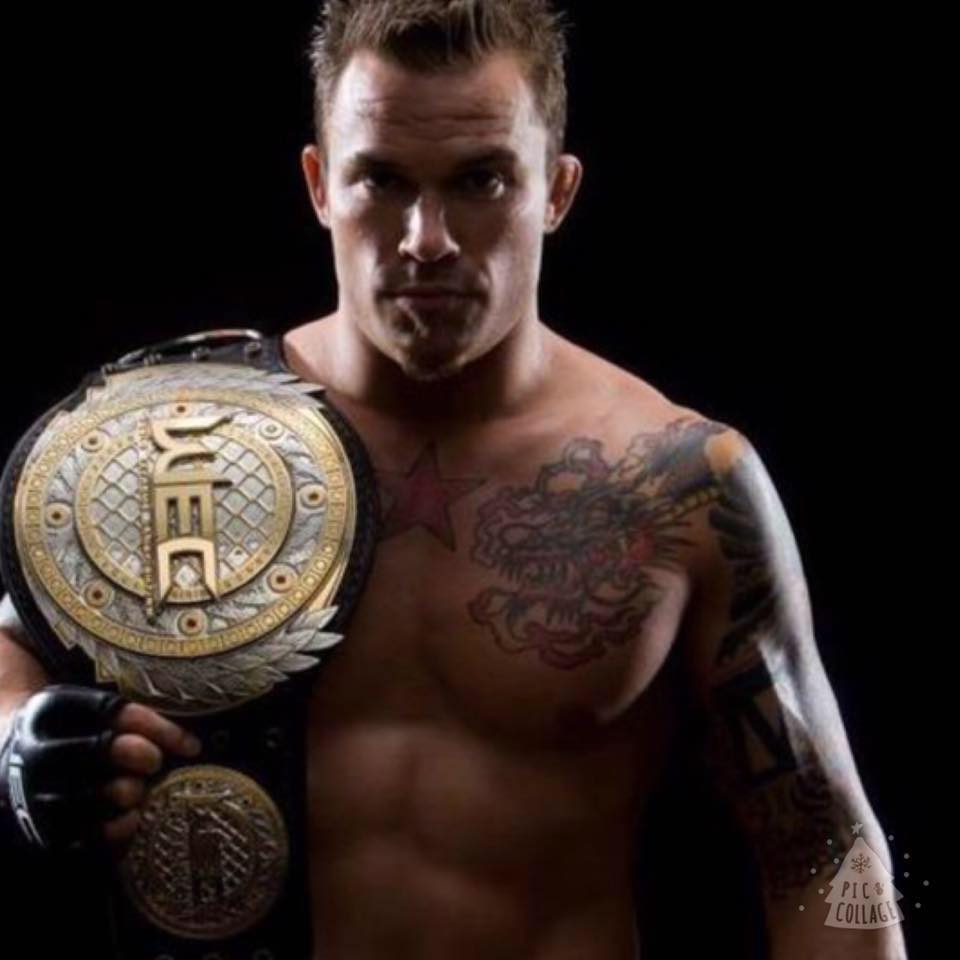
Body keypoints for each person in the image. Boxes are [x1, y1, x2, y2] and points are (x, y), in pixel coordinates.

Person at [0, 1, 908, 957]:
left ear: (556, 192)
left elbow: (823, 848)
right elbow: (15, 633)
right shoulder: (174, 443)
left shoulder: (679, 482)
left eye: (481, 180)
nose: (426, 238)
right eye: (382, 180)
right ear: (320, 184)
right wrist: (16, 739)